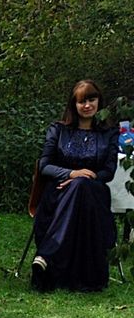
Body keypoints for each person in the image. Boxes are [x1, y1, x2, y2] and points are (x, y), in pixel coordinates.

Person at [30, 80, 120, 291]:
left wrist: (82, 179)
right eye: (82, 101)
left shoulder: (110, 132)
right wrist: (71, 174)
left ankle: (47, 255)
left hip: (95, 192)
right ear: (74, 104)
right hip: (58, 193)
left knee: (81, 186)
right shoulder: (58, 130)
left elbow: (109, 171)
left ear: (99, 102)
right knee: (77, 186)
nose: (87, 105)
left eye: (92, 99)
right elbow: (44, 165)